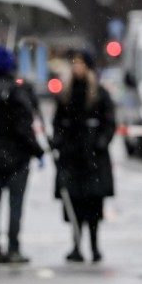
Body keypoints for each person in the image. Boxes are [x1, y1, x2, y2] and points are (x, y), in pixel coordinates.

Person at [0, 46, 45, 264]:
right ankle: (14, 248)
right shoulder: (18, 93)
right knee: (15, 205)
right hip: (17, 159)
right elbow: (24, 129)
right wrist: (38, 151)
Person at [50, 49, 115, 263]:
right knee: (74, 204)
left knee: (93, 205)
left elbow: (109, 123)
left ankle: (95, 246)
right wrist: (58, 141)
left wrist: (101, 142)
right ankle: (76, 245)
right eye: (74, 63)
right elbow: (58, 123)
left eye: (81, 63)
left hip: (93, 158)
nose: (77, 67)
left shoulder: (99, 94)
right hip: (72, 158)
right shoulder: (66, 94)